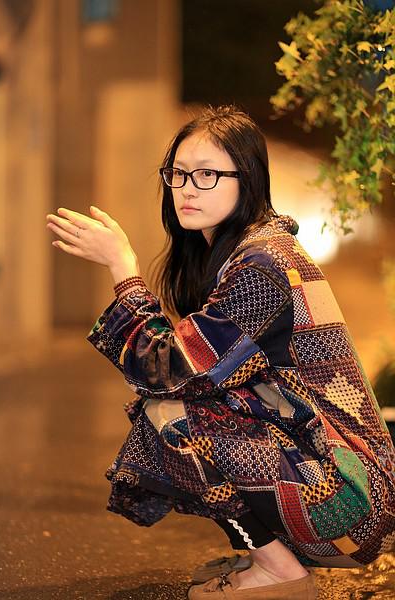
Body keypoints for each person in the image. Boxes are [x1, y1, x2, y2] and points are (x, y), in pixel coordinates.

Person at [45, 105, 395, 600]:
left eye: (207, 174)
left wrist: (123, 268)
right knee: (192, 404)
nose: (187, 188)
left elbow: (166, 370)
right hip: (337, 479)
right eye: (178, 173)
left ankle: (280, 571)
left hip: (350, 502)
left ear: (246, 180)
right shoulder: (245, 253)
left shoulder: (263, 267)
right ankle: (268, 557)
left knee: (172, 415)